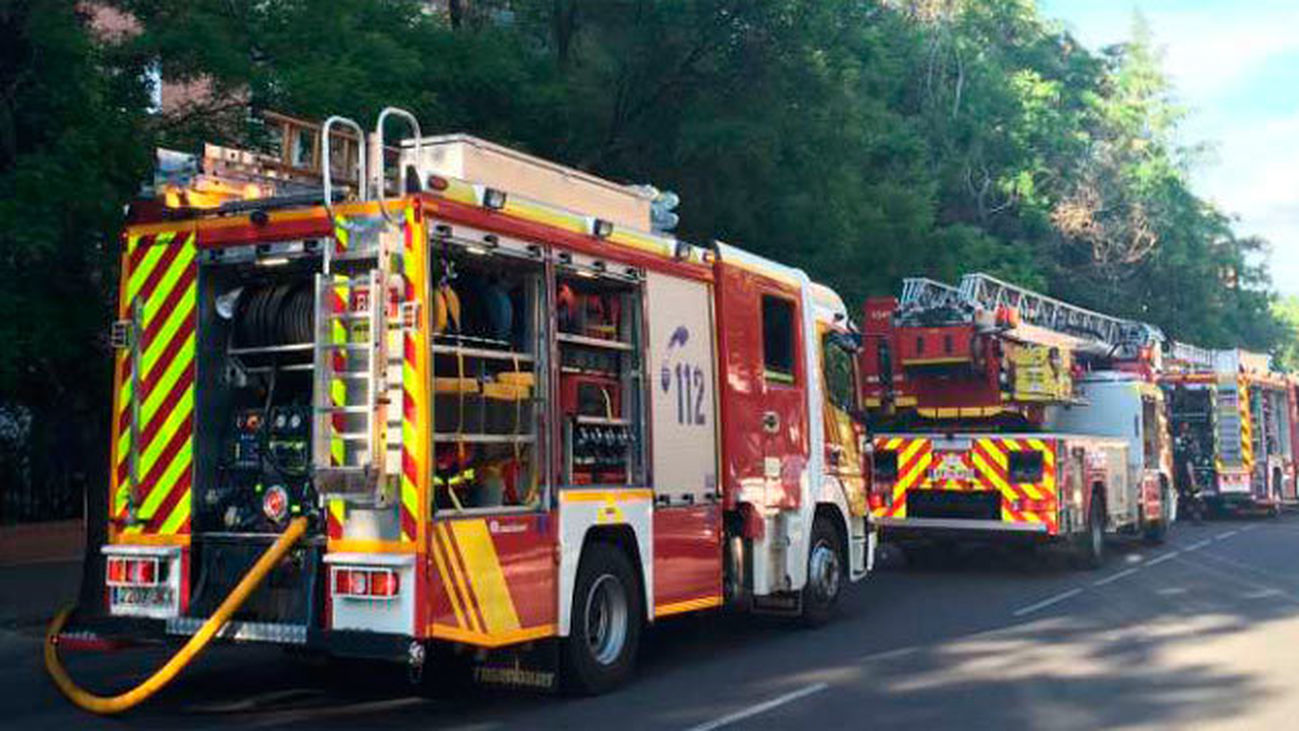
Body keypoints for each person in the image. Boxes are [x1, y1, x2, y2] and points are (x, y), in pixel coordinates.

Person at [1173, 421, 1205, 524]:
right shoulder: (1188, 451)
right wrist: (1193, 481)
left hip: (1179, 475)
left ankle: (1184, 515)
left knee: (1185, 496)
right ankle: (1196, 517)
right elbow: (1189, 466)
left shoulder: (1178, 446)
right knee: (1196, 496)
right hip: (1186, 476)